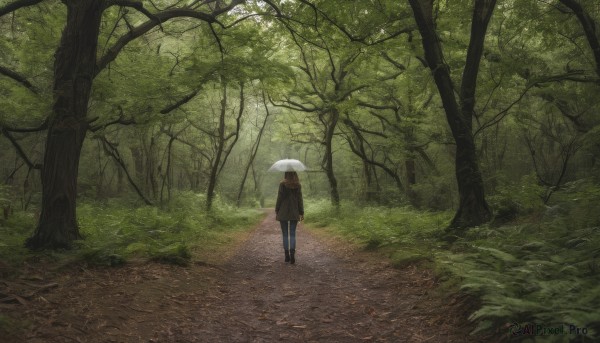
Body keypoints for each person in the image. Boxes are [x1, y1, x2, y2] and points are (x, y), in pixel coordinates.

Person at [275, 171, 304, 264]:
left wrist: (277, 209)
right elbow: (300, 199)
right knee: (292, 234)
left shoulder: (282, 184)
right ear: (295, 175)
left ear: (286, 175)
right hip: (294, 212)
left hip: (283, 212)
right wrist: (301, 212)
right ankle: (292, 255)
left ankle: (286, 255)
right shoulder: (298, 185)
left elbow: (279, 197)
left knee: (285, 234)